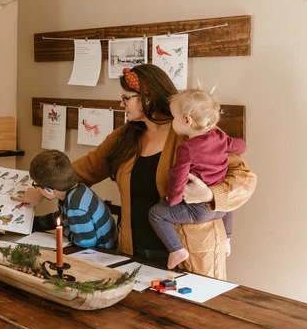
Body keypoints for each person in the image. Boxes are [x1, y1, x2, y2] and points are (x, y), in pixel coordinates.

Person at [15, 64, 256, 279]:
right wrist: (41, 188)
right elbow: (87, 168)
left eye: (126, 98)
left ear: (146, 98)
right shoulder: (125, 136)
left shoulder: (194, 132)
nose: (121, 104)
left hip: (190, 255)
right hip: (136, 253)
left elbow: (245, 179)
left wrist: (210, 194)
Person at [148, 88, 247, 269]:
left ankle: (177, 250)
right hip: (220, 210)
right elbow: (241, 147)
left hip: (198, 209)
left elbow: (178, 176)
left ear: (187, 120)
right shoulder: (220, 137)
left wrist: (174, 199)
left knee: (156, 213)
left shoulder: (187, 148)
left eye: (174, 117)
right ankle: (227, 240)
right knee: (227, 204)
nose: (172, 122)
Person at [30, 150, 118, 249]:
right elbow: (63, 218)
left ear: (48, 190)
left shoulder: (76, 206)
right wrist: (33, 222)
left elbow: (86, 243)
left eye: (36, 185)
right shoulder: (77, 190)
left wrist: (64, 231)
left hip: (101, 253)